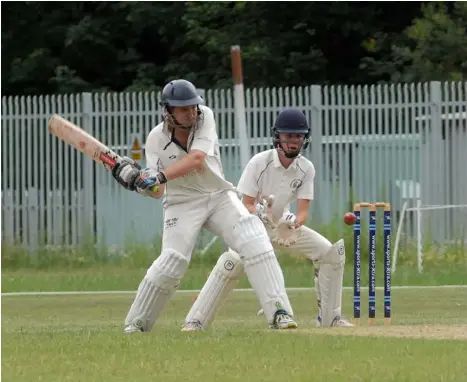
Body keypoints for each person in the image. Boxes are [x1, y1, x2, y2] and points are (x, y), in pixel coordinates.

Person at [111, 79, 297, 333]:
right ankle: (137, 323)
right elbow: (158, 191)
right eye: (183, 108)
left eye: (193, 107)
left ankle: (279, 311)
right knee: (173, 260)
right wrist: (137, 182)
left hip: (218, 194)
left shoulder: (205, 117)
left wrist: (159, 176)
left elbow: (197, 159)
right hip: (181, 202)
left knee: (253, 235)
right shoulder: (155, 139)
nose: (191, 112)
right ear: (167, 110)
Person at [182, 108, 353, 331]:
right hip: (252, 228)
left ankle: (331, 318)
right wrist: (259, 215)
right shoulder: (259, 163)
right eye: (288, 136)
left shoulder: (306, 168)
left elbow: (302, 211)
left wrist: (293, 225)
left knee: (330, 253)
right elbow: (246, 203)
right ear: (277, 137)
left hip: (282, 226)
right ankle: (196, 320)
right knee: (233, 263)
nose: (293, 141)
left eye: (299, 136)